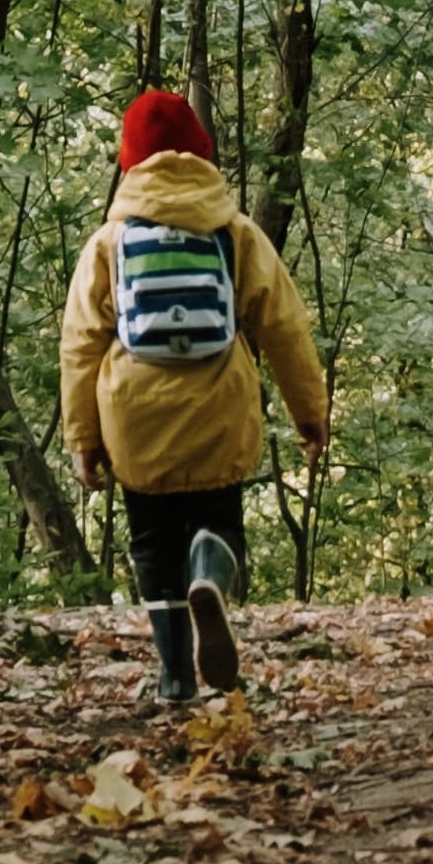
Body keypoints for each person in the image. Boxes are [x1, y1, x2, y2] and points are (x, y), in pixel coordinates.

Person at [56, 87, 331, 712]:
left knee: (152, 542)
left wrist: (83, 439)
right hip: (219, 407)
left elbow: (80, 345)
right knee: (218, 518)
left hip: (134, 416)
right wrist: (309, 413)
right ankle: (210, 566)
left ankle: (176, 674)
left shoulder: (108, 243)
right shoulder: (234, 233)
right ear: (203, 156)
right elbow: (284, 327)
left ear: (130, 162)